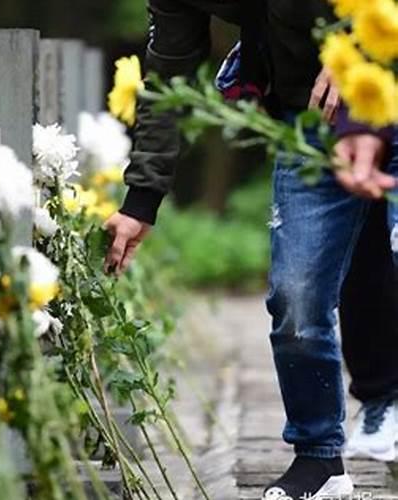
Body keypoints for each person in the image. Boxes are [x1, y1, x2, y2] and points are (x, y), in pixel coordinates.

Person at [103, 1, 398, 498]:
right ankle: (320, 458)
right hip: (314, 117)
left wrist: (359, 51)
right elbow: (169, 77)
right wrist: (141, 201)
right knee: (296, 292)